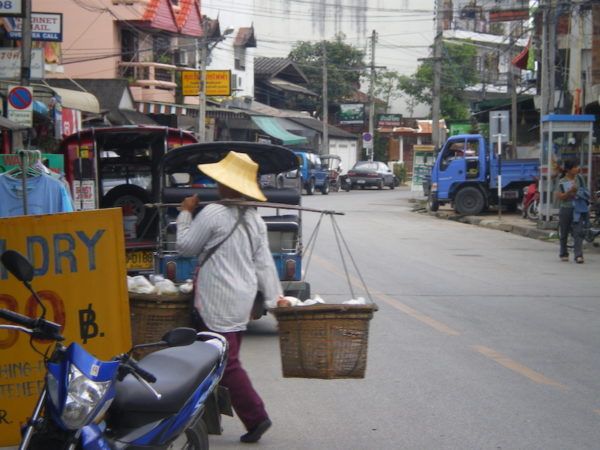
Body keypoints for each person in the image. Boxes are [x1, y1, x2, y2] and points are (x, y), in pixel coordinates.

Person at [176, 151, 283, 443]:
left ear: (228, 185)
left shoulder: (212, 213)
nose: (217, 184)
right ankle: (200, 416)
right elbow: (264, 264)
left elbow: (185, 247)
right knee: (218, 361)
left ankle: (256, 416)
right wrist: (275, 300)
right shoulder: (255, 219)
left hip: (216, 302)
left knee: (224, 363)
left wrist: (185, 212)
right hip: (241, 302)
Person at [555, 159, 588, 264]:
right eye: (574, 167)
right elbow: (560, 197)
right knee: (564, 232)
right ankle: (563, 253)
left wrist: (578, 192)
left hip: (578, 208)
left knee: (579, 231)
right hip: (566, 208)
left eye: (577, 166)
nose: (577, 169)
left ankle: (578, 255)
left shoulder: (580, 178)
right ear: (568, 170)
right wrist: (569, 192)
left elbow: (585, 191)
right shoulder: (562, 181)